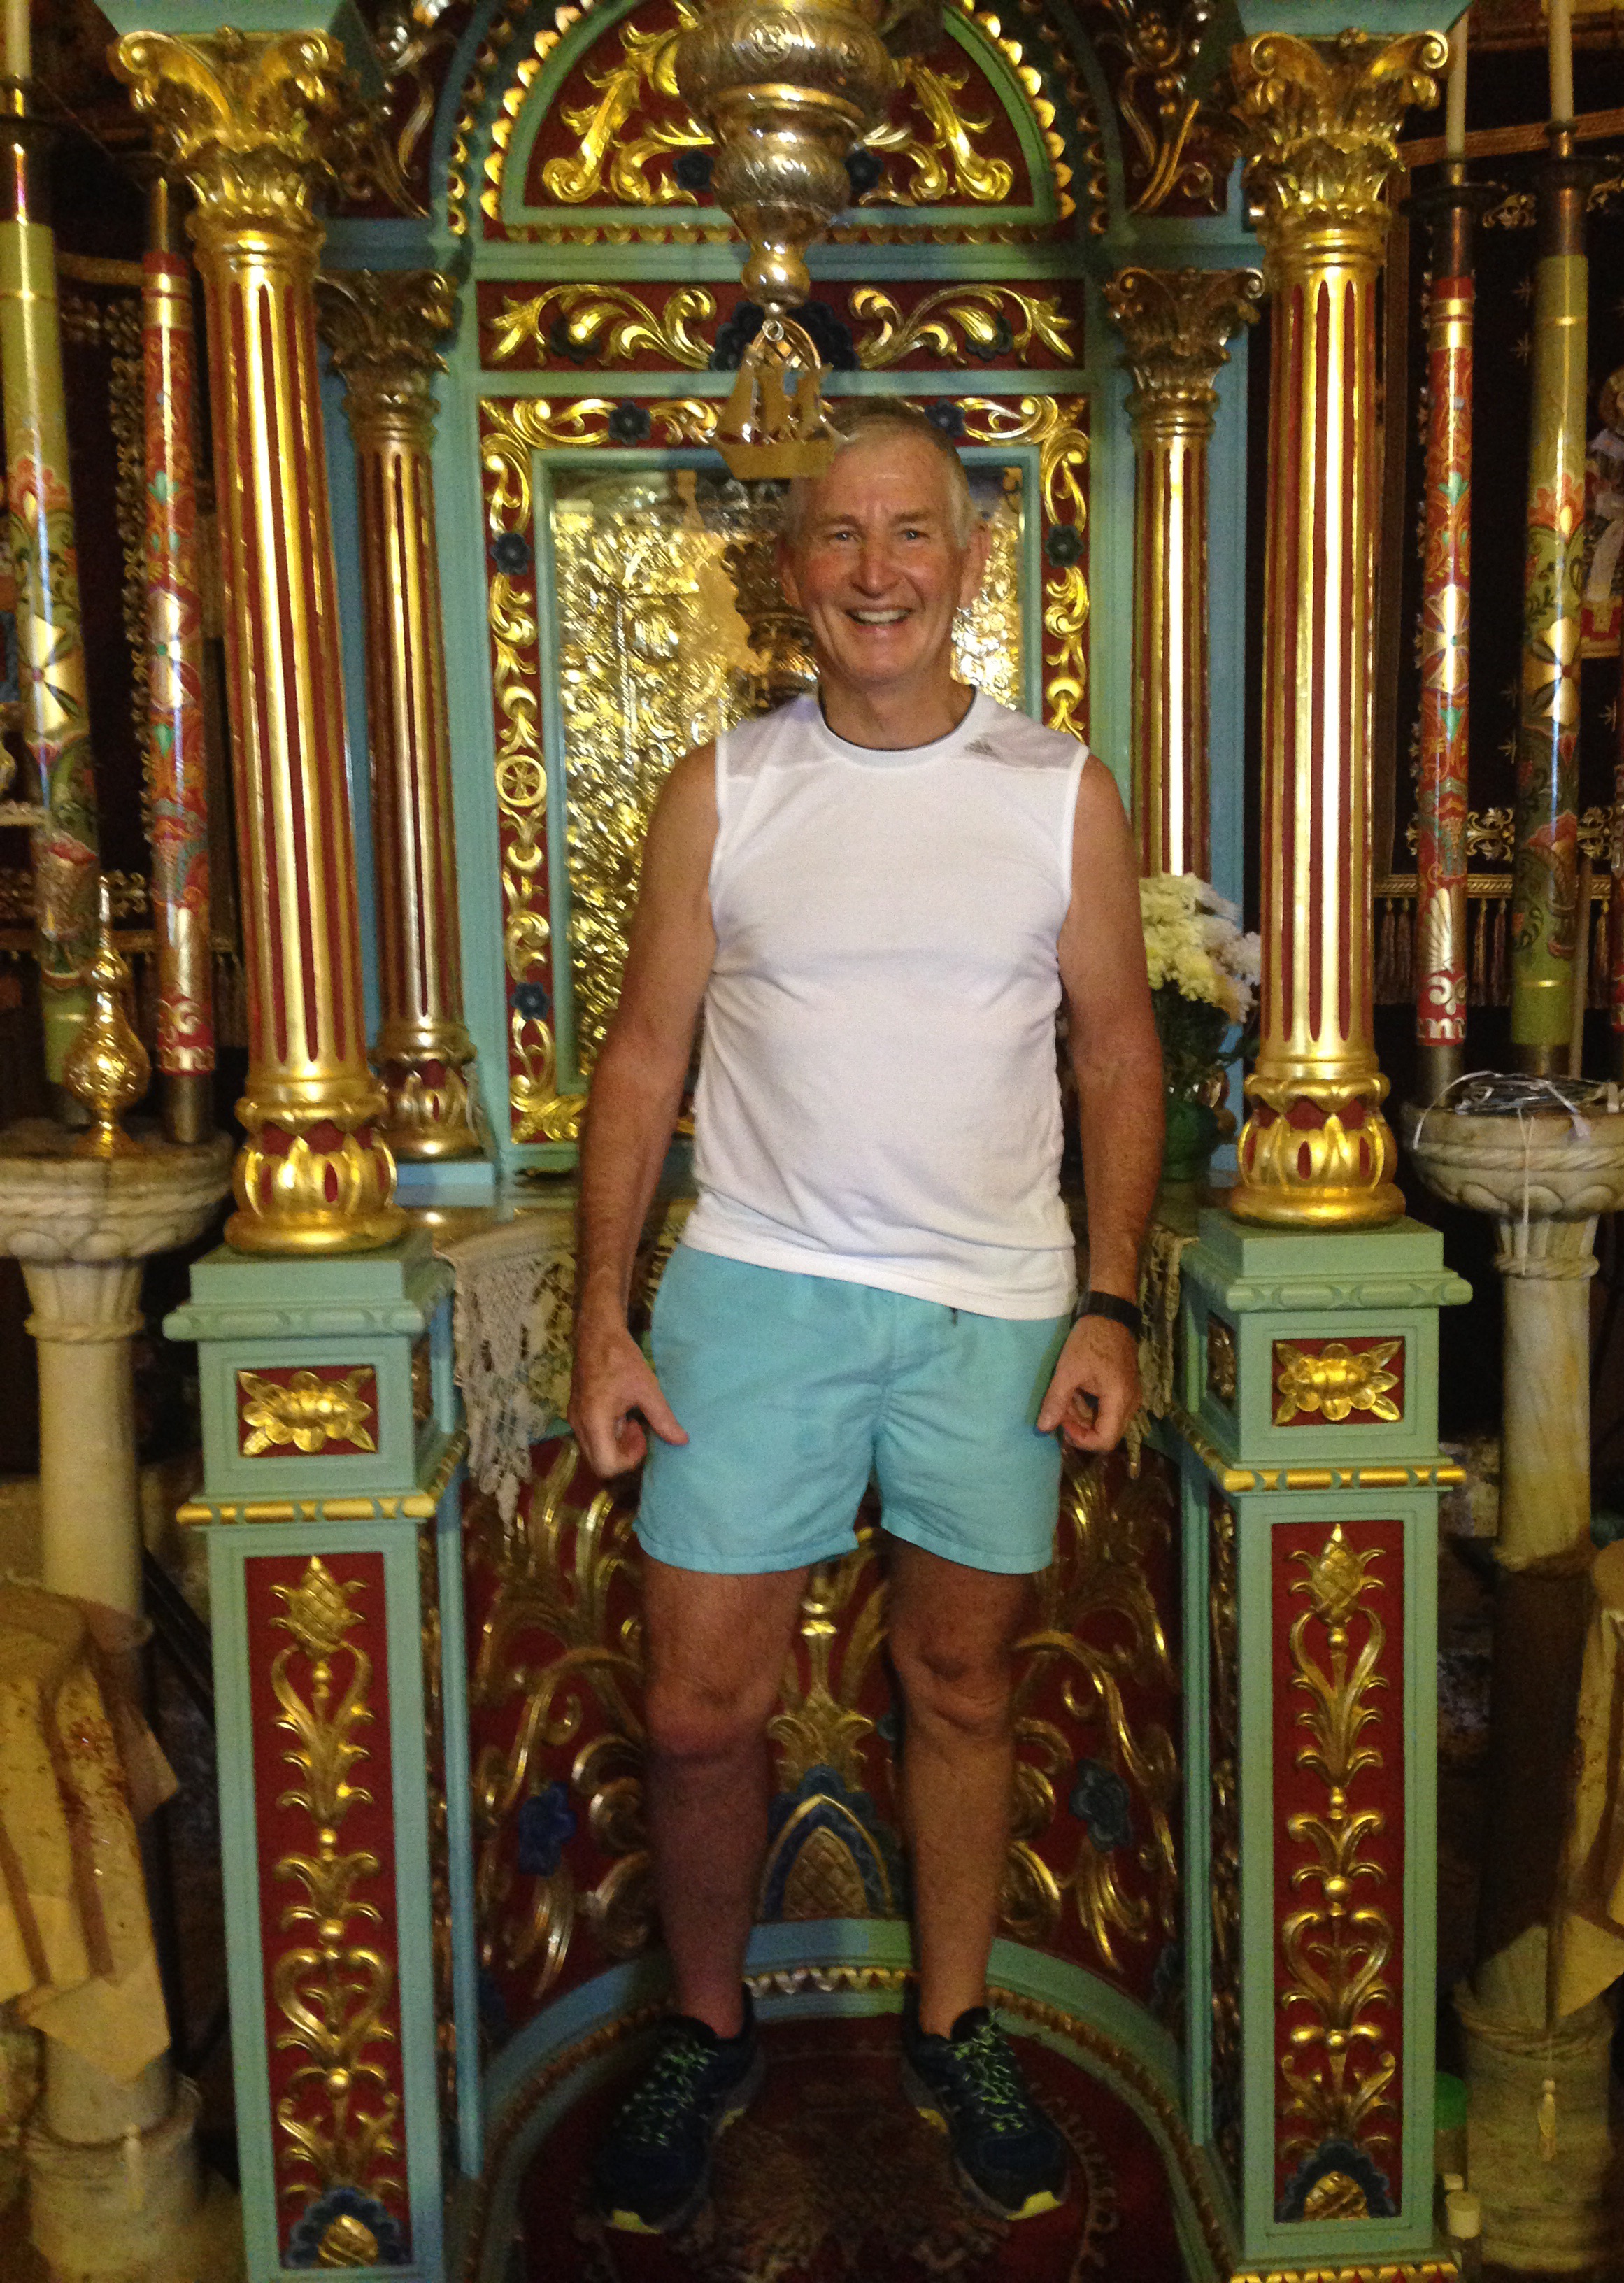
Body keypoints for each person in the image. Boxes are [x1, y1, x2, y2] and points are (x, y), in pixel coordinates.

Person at [567, 404, 1163, 2235]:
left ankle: (955, 2022)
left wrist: (1109, 1305)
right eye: (840, 536)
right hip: (755, 1289)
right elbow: (645, 1057)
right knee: (696, 1711)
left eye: (912, 534)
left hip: (993, 1309)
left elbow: (1118, 1052)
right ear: (793, 566)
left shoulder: (1056, 791)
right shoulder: (726, 789)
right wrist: (603, 1317)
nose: (877, 570)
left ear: (970, 560)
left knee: (963, 1686)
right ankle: (705, 2026)